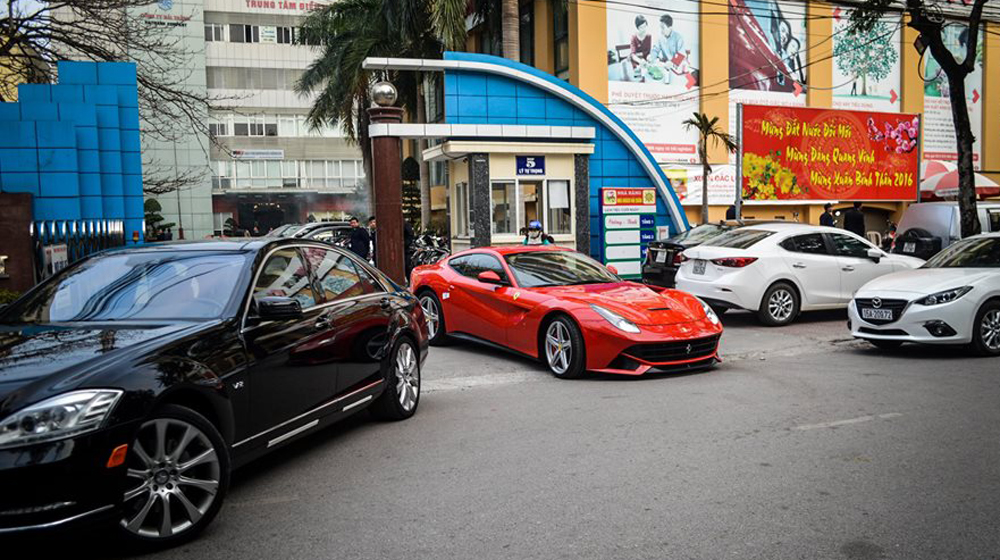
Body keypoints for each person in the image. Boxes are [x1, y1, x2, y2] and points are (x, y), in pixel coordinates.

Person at [650, 13, 684, 84]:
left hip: (677, 67)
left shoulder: (678, 37)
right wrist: (651, 58)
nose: (661, 30)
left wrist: (672, 62)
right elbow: (655, 50)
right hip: (665, 67)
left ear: (670, 28)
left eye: (663, 28)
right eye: (660, 27)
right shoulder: (660, 38)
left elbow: (681, 54)